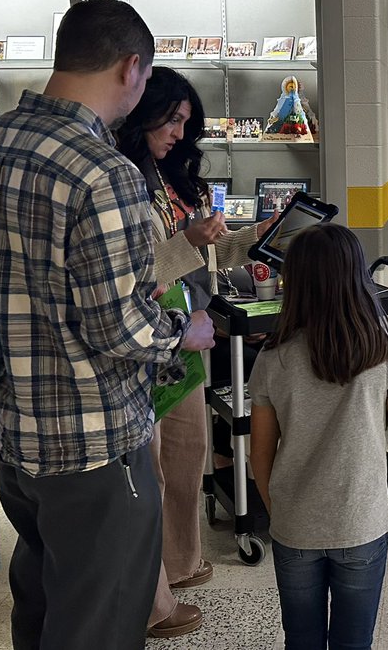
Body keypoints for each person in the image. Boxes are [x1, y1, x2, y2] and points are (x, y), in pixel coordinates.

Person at [0, 0, 217, 650]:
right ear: (133, 68)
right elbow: (118, 326)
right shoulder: (104, 173)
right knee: (101, 619)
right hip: (92, 443)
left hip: (14, 435)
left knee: (44, 605)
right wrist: (185, 334)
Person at [116, 66, 276, 638]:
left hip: (190, 336)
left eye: (188, 122)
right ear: (143, 110)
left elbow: (200, 261)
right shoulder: (120, 179)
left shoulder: (168, 179)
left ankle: (180, 562)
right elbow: (133, 278)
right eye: (173, 119)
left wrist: (252, 238)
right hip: (147, 342)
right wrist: (188, 243)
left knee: (188, 453)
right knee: (151, 466)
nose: (181, 133)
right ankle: (151, 581)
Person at [249, 223, 388, 650]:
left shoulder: (273, 357)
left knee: (301, 637)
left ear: (292, 281)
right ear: (359, 279)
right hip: (362, 523)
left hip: (294, 526)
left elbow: (260, 451)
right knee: (354, 640)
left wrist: (275, 509)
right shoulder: (385, 350)